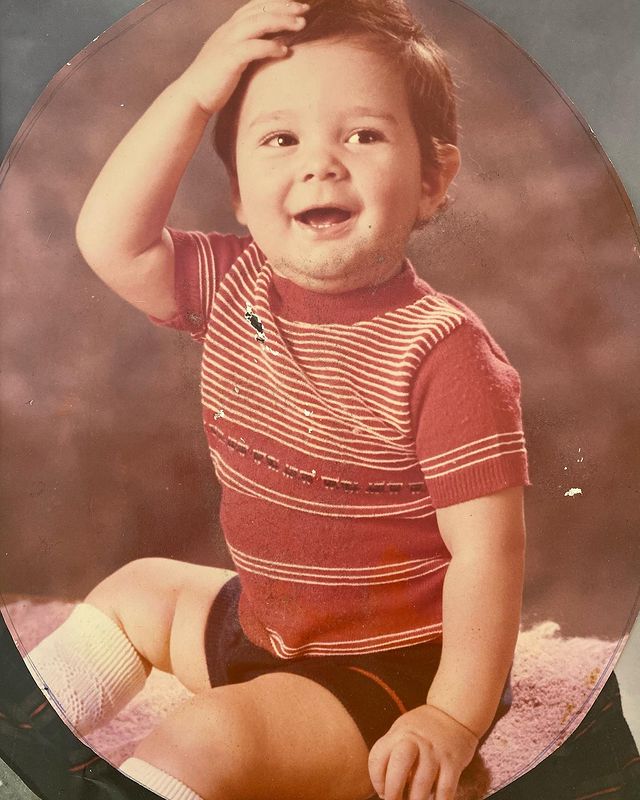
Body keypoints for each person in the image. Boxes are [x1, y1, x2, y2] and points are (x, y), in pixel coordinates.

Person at [28, 1, 529, 798]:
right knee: (136, 590)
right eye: (280, 139)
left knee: (208, 736)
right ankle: (20, 748)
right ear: (236, 192)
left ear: (433, 180)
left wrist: (451, 719)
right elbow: (109, 240)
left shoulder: (444, 354)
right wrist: (195, 94)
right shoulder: (234, 283)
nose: (320, 164)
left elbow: (487, 555)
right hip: (262, 625)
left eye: (363, 135)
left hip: (388, 675)